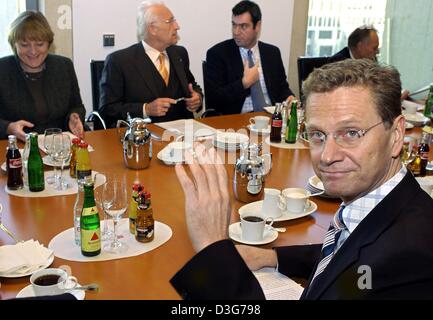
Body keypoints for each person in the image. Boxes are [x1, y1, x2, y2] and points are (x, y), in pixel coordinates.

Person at [171, 59, 433, 299]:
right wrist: (270, 256)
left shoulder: (410, 256)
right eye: (318, 135)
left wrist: (213, 247)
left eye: (351, 133)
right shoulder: (384, 208)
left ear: (397, 134)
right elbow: (348, 258)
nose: (327, 156)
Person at [99, 1, 203, 128]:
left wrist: (197, 98)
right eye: (170, 21)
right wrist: (146, 109)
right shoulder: (119, 61)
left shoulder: (179, 54)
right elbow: (107, 109)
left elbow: (192, 86)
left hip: (183, 135)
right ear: (152, 29)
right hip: (143, 137)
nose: (177, 26)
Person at [0, 11, 86, 141]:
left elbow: (77, 106)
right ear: (14, 45)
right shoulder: (3, 69)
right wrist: (8, 127)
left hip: (60, 144)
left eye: (40, 44)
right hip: (15, 147)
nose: (33, 51)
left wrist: (74, 116)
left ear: (49, 44)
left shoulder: (64, 65)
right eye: (24, 45)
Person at [204, 0, 295, 115]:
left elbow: (281, 88)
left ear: (257, 26)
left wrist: (290, 97)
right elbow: (214, 99)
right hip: (237, 119)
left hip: (270, 118)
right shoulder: (218, 54)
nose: (236, 32)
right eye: (234, 25)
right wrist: (244, 83)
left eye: (243, 26)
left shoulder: (272, 53)